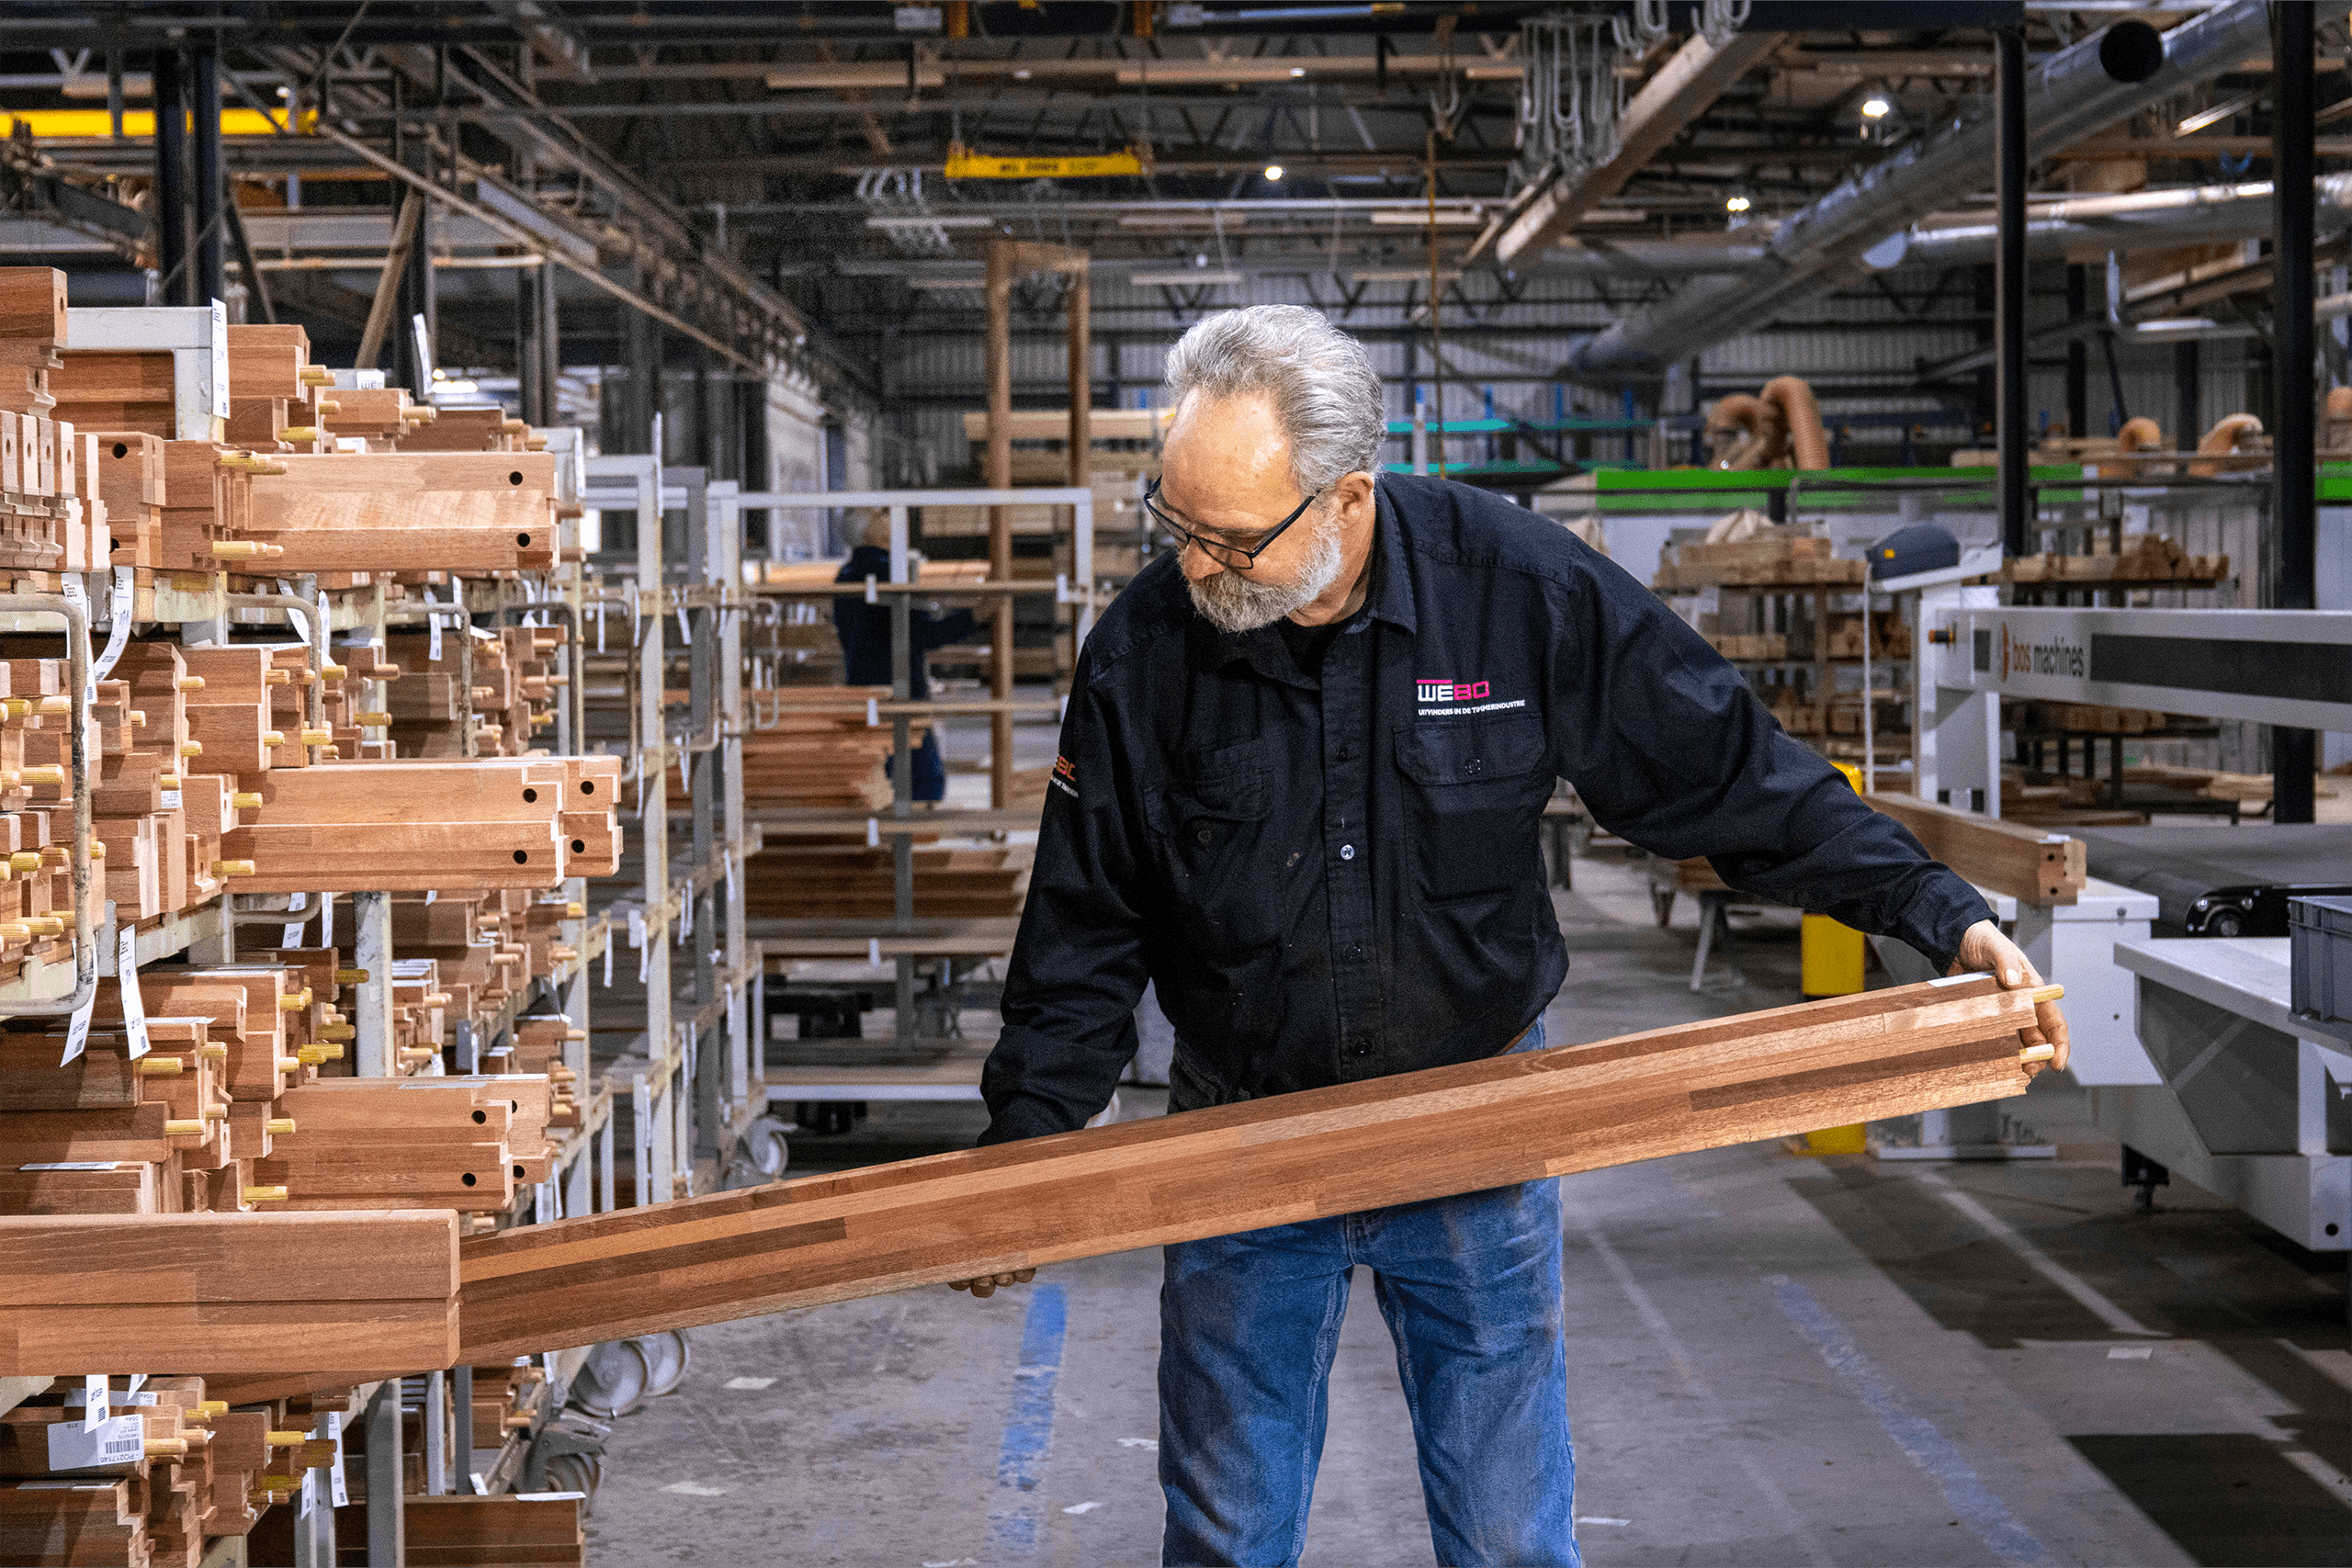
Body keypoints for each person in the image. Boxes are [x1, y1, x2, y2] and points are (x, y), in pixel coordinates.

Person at [957, 306, 2064, 1568]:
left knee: (1508, 1534)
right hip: (1243, 1137)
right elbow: (1087, 919)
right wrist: (1027, 1154)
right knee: (1226, 1528)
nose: (1198, 568)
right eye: (1179, 524)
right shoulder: (1149, 649)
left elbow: (1725, 769)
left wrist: (1937, 910)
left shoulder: (1520, 593)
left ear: (1348, 497)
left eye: (1231, 540)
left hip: (1476, 1127)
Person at [831, 509, 978, 802]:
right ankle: (910, 842)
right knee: (922, 781)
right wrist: (975, 616)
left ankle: (891, 840)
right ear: (873, 532)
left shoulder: (845, 575)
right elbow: (924, 635)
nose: (890, 517)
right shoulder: (888, 572)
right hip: (901, 689)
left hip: (863, 687)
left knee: (881, 777)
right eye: (880, 515)